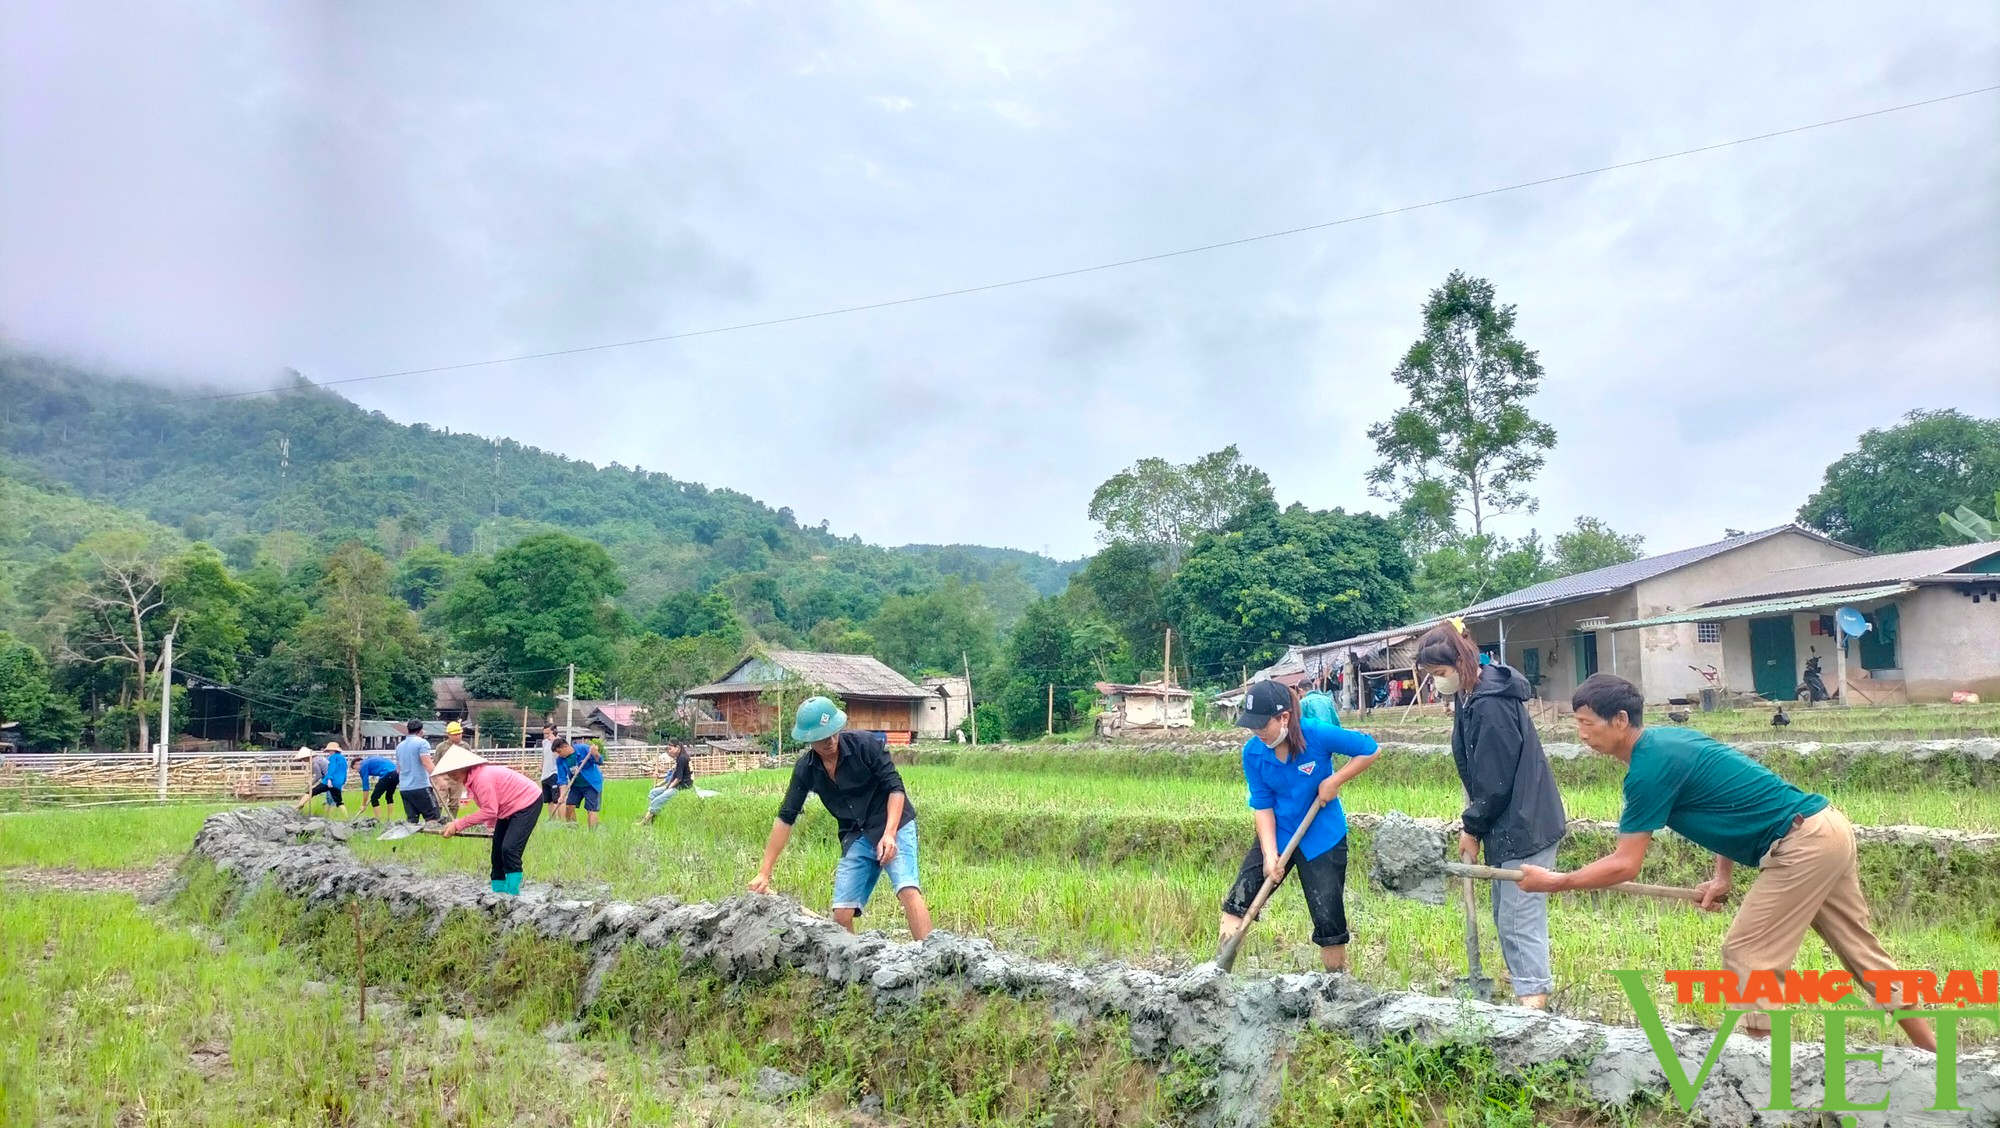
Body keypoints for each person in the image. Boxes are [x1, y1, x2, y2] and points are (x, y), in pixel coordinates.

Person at [1516, 674, 1936, 1051]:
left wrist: (1556, 881)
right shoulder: (1671, 743)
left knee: (1748, 953)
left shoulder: (1648, 770)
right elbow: (1732, 804)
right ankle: (1936, 1055)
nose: (1581, 734)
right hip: (1824, 827)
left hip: (1800, 843)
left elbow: (1625, 865)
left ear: (1620, 720)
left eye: (1587, 723)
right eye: (1577, 723)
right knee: (1862, 953)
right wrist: (1722, 875)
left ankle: (1763, 1069)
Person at [1415, 621, 1566, 1009]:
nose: (1436, 682)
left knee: (1518, 919)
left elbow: (1495, 781)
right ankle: (1528, 991)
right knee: (1507, 915)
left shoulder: (1491, 703)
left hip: (1525, 821)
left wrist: (1472, 828)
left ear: (1462, 662)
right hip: (1510, 820)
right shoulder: (1468, 696)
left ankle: (1534, 1006)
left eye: (1440, 673)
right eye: (1432, 675)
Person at [1220, 679, 1378, 973]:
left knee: (1328, 917)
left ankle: (1336, 985)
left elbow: (1369, 749)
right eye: (1251, 726)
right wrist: (1269, 855)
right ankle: (1218, 972)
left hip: (1322, 836)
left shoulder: (1316, 734)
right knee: (1239, 900)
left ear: (1284, 718)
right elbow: (1263, 805)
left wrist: (1334, 781)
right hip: (1278, 832)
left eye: (1262, 725)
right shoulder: (1253, 753)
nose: (1256, 732)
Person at [749, 696, 932, 940]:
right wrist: (764, 872)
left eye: (833, 733)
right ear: (808, 739)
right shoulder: (806, 769)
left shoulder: (865, 745)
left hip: (893, 822)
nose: (831, 741)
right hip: (856, 833)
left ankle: (931, 957)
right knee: (842, 913)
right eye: (822, 738)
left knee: (907, 889)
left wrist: (889, 833)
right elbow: (785, 818)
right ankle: (852, 964)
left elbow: (895, 789)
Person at [433, 745, 543, 896]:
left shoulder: (482, 778)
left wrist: (458, 824)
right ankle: (498, 889)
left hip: (527, 802)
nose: (452, 775)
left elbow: (490, 810)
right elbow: (491, 806)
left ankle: (513, 892)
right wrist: (491, 827)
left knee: (509, 848)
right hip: (507, 807)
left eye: (455, 771)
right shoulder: (472, 780)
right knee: (497, 849)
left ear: (466, 767)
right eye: (449, 773)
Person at [393, 720, 440, 824]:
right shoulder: (422, 743)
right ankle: (433, 839)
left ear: (408, 730)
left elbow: (398, 769)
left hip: (405, 788)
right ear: (421, 731)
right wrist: (439, 777)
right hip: (420, 786)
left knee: (412, 820)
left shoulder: (399, 746)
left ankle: (412, 839)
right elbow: (427, 763)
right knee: (432, 816)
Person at [640, 742, 694, 825]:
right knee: (653, 792)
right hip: (675, 785)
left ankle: (644, 822)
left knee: (657, 800)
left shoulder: (682, 759)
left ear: (677, 747)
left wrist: (669, 788)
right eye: (668, 749)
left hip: (682, 787)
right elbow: (672, 775)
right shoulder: (680, 758)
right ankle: (653, 817)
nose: (669, 751)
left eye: (670, 748)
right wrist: (666, 785)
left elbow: (678, 778)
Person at [431, 721, 474, 817]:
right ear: (449, 735)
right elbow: (435, 763)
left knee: (455, 802)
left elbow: (470, 761)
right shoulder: (441, 747)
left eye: (459, 734)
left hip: (458, 778)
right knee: (439, 801)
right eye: (455, 734)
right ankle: (437, 821)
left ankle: (452, 820)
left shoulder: (465, 746)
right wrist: (437, 778)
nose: (458, 736)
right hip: (444, 777)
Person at [563, 735, 604, 829]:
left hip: (591, 784)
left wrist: (596, 753)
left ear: (565, 747)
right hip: (576, 786)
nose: (559, 754)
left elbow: (600, 761)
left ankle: (592, 833)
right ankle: (572, 829)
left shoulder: (583, 749)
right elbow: (562, 779)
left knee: (591, 810)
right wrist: (562, 796)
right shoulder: (561, 760)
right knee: (569, 806)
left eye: (559, 751)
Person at [356, 752, 398, 817]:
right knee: (389, 796)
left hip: (386, 774)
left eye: (355, 768)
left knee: (374, 798)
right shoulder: (369, 760)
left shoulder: (363, 766)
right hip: (396, 773)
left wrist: (363, 805)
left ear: (357, 764)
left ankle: (378, 820)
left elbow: (366, 788)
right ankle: (390, 819)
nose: (357, 771)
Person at [292, 746, 328, 813]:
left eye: (303, 759)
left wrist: (311, 782)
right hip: (331, 779)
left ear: (306, 757)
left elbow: (318, 776)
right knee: (332, 800)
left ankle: (298, 806)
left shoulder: (315, 763)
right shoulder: (319, 759)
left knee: (312, 792)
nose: (303, 761)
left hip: (329, 780)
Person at [536, 722, 562, 808]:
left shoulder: (560, 742)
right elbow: (544, 756)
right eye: (544, 734)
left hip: (554, 773)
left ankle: (560, 820)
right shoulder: (544, 742)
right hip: (545, 774)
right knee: (548, 800)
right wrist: (541, 766)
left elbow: (559, 757)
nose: (546, 736)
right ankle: (552, 820)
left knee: (556, 799)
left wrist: (553, 742)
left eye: (548, 733)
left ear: (554, 732)